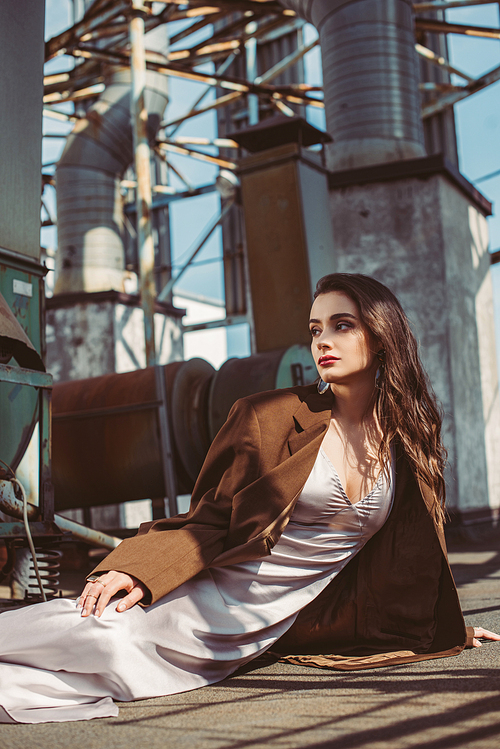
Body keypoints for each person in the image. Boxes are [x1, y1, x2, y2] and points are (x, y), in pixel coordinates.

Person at [0, 273, 497, 724]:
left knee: (115, 668)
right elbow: (208, 519)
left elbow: (410, 552)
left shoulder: (410, 438)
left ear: (383, 334)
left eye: (341, 325)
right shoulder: (271, 415)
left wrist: (441, 626)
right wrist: (137, 569)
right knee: (100, 634)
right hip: (213, 596)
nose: (322, 340)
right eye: (315, 328)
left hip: (272, 627)